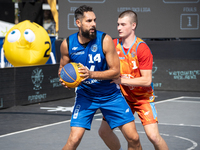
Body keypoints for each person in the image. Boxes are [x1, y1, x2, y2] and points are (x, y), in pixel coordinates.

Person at [58, 5, 142, 150]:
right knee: (74, 139)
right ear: (78, 23)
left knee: (133, 138)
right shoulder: (68, 44)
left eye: (94, 20)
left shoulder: (105, 40)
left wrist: (90, 74)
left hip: (110, 95)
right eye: (89, 21)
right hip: (85, 95)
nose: (93, 24)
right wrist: (64, 79)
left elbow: (116, 72)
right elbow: (62, 69)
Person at [98, 10, 169, 150]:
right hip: (122, 98)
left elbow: (146, 80)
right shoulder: (113, 44)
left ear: (133, 25)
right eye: (118, 24)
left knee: (153, 136)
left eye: (123, 24)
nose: (119, 28)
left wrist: (121, 80)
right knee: (104, 132)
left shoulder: (141, 48)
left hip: (143, 98)